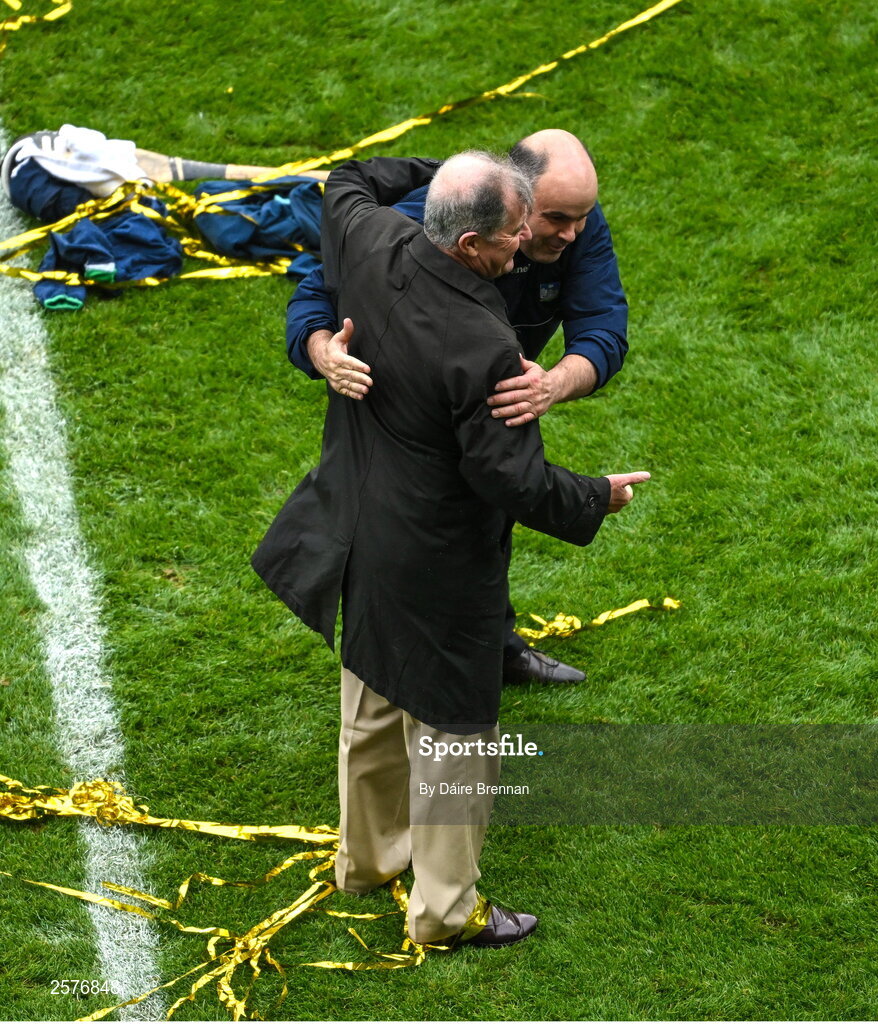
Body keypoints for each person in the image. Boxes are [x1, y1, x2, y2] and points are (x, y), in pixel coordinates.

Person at [252, 152, 650, 948]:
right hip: (438, 559)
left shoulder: (366, 240)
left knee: (369, 703)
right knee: (456, 736)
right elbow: (513, 479)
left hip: (357, 529)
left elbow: (347, 178)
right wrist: (595, 495)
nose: (525, 243)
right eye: (513, 233)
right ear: (470, 245)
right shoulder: (482, 340)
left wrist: (462, 167)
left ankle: (366, 862)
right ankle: (443, 911)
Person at [286, 129, 628, 687]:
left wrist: (555, 384)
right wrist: (320, 348)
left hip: (493, 386)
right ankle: (404, 662)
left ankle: (489, 647)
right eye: (552, 220)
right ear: (501, 216)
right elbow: (319, 289)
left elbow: (604, 327)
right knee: (420, 514)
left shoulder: (575, 223)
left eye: (582, 217)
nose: (573, 234)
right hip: (409, 396)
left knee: (487, 511)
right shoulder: (425, 217)